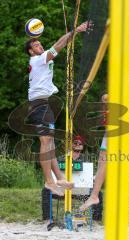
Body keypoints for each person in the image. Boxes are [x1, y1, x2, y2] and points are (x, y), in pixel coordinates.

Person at [25, 21, 90, 196]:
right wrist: (76, 31)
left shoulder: (40, 60)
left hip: (43, 104)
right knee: (46, 142)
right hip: (39, 105)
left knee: (50, 143)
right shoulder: (38, 59)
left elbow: (57, 47)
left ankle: (59, 177)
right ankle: (49, 181)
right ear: (31, 51)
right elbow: (58, 46)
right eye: (36, 45)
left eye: (40, 43)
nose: (40, 45)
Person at [80, 92, 129, 215]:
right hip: (110, 132)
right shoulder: (111, 97)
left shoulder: (128, 93)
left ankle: (95, 195)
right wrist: (105, 103)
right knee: (105, 163)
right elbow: (105, 104)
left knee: (110, 164)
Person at [42, 135, 85, 223]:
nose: (77, 145)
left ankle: (96, 220)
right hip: (62, 190)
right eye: (75, 143)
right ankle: (47, 218)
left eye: (80, 143)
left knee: (97, 193)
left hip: (80, 188)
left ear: (83, 146)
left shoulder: (87, 158)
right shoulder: (62, 158)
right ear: (71, 145)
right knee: (45, 191)